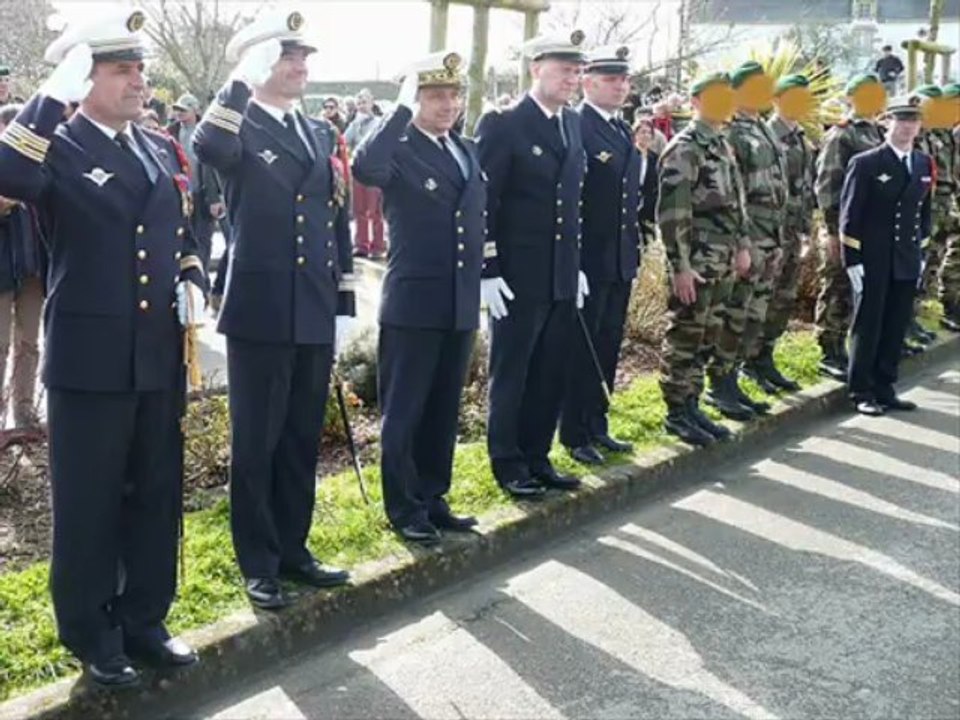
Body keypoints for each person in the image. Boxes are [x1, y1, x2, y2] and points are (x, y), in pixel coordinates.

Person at [0, 9, 205, 686]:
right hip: (89, 358)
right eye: (121, 70)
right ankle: (93, 633)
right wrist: (47, 99)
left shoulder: (157, 146)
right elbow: (9, 176)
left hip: (154, 353)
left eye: (140, 70)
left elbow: (184, 228)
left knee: (152, 492)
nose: (138, 81)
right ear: (82, 79)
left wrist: (191, 276)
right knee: (87, 503)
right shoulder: (56, 145)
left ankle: (145, 618)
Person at [194, 9, 355, 611]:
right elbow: (207, 146)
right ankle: (258, 561)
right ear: (260, 64)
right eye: (288, 56)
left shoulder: (317, 132)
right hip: (260, 306)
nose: (300, 66)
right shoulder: (238, 126)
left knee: (300, 435)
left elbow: (333, 218)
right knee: (256, 441)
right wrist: (238, 78)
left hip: (313, 305)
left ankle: (294, 548)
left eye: (304, 57)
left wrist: (343, 298)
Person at [352, 51, 484, 545]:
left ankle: (433, 495)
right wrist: (400, 111)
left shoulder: (465, 149)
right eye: (434, 95)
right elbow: (365, 166)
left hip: (459, 300)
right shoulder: (401, 148)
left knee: (443, 407)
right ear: (416, 100)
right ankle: (404, 506)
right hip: (414, 301)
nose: (447, 104)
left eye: (453, 95)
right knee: (404, 411)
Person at [475, 31, 588, 498]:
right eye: (564, 69)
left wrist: (574, 263)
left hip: (559, 271)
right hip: (517, 275)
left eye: (577, 71)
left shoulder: (570, 124)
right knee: (514, 370)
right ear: (535, 68)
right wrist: (488, 269)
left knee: (550, 370)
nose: (572, 78)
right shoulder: (504, 123)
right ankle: (507, 461)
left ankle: (537, 455)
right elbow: (484, 201)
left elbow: (570, 201)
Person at [658, 71, 749, 446]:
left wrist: (742, 244)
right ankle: (677, 412)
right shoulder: (685, 147)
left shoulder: (721, 143)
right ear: (696, 102)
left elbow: (736, 201)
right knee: (686, 335)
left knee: (708, 335)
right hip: (696, 261)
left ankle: (693, 404)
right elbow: (673, 213)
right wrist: (680, 267)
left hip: (722, 259)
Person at [559, 45, 641, 466]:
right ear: (588, 83)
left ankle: (598, 422)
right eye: (611, 80)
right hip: (588, 259)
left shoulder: (622, 129)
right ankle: (574, 431)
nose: (621, 87)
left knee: (608, 345)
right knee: (582, 348)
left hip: (619, 259)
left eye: (624, 80)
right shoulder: (576, 125)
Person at [840, 94, 932, 415]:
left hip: (905, 256)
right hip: (874, 257)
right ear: (886, 123)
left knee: (896, 324)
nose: (907, 127)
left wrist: (921, 254)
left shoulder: (922, 163)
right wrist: (852, 259)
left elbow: (924, 214)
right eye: (900, 120)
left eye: (913, 121)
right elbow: (850, 215)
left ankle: (885, 386)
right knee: (869, 324)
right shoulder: (866, 163)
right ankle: (861, 391)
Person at [706, 61, 787, 421]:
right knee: (735, 315)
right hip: (749, 237)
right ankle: (719, 383)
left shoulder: (763, 129)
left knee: (755, 314)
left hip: (770, 236)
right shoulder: (733, 133)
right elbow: (732, 194)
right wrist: (742, 242)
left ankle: (736, 376)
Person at [743, 74, 817, 394]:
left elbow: (805, 189)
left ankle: (765, 357)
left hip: (791, 232)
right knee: (758, 300)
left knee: (783, 299)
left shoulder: (801, 137)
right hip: (765, 233)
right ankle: (747, 362)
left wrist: (807, 229)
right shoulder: (766, 133)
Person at [814, 73, 886, 379]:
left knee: (865, 289)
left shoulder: (881, 133)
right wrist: (832, 230)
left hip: (875, 227)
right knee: (838, 287)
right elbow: (828, 184)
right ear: (851, 98)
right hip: (847, 225)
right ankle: (830, 350)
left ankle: (858, 348)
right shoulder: (842, 136)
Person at [0, 103, 44, 429]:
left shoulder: (40, 166)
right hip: (2, 272)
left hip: (33, 271)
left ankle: (24, 412)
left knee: (29, 343)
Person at [909, 84, 955, 345]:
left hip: (934, 207)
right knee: (914, 267)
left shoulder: (931, 136)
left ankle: (911, 317)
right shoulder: (913, 135)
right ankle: (904, 321)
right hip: (915, 211)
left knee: (926, 265)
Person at [169, 93, 222, 270]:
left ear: (194, 111)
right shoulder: (169, 133)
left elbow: (212, 169)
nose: (180, 113)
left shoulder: (206, 132)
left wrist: (214, 199)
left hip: (202, 195)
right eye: (177, 110)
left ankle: (203, 280)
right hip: (179, 196)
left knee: (203, 240)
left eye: (184, 110)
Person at [345, 88, 385, 259]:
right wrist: (354, 123)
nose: (362, 105)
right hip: (357, 169)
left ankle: (378, 245)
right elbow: (345, 141)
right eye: (359, 102)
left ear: (372, 102)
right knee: (359, 209)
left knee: (376, 210)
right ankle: (361, 244)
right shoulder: (354, 123)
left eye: (365, 102)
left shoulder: (379, 121)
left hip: (374, 170)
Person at [937, 83, 960, 331]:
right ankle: (951, 304)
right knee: (950, 254)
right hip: (942, 201)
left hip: (950, 198)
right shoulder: (949, 133)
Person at [632, 116, 659, 246]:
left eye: (649, 133)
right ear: (635, 135)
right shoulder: (629, 155)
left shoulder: (655, 158)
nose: (646, 136)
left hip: (647, 208)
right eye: (642, 132)